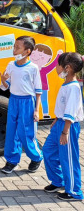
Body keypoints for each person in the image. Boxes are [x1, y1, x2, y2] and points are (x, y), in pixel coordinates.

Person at [43, 52, 84, 201]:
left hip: (67, 127)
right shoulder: (66, 84)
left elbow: (71, 111)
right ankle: (58, 181)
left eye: (58, 64)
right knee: (48, 151)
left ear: (67, 67)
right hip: (60, 124)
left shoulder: (73, 87)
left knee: (68, 158)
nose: (56, 67)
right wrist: (56, 119)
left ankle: (74, 191)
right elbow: (63, 106)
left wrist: (65, 132)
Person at [0, 36, 43, 174]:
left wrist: (36, 110)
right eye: (14, 46)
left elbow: (38, 91)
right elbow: (5, 87)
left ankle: (36, 157)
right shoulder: (11, 65)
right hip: (13, 101)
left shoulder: (33, 68)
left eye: (18, 47)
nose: (14, 49)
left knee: (26, 132)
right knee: (11, 132)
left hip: (27, 103)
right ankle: (12, 161)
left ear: (27, 51)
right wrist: (4, 81)